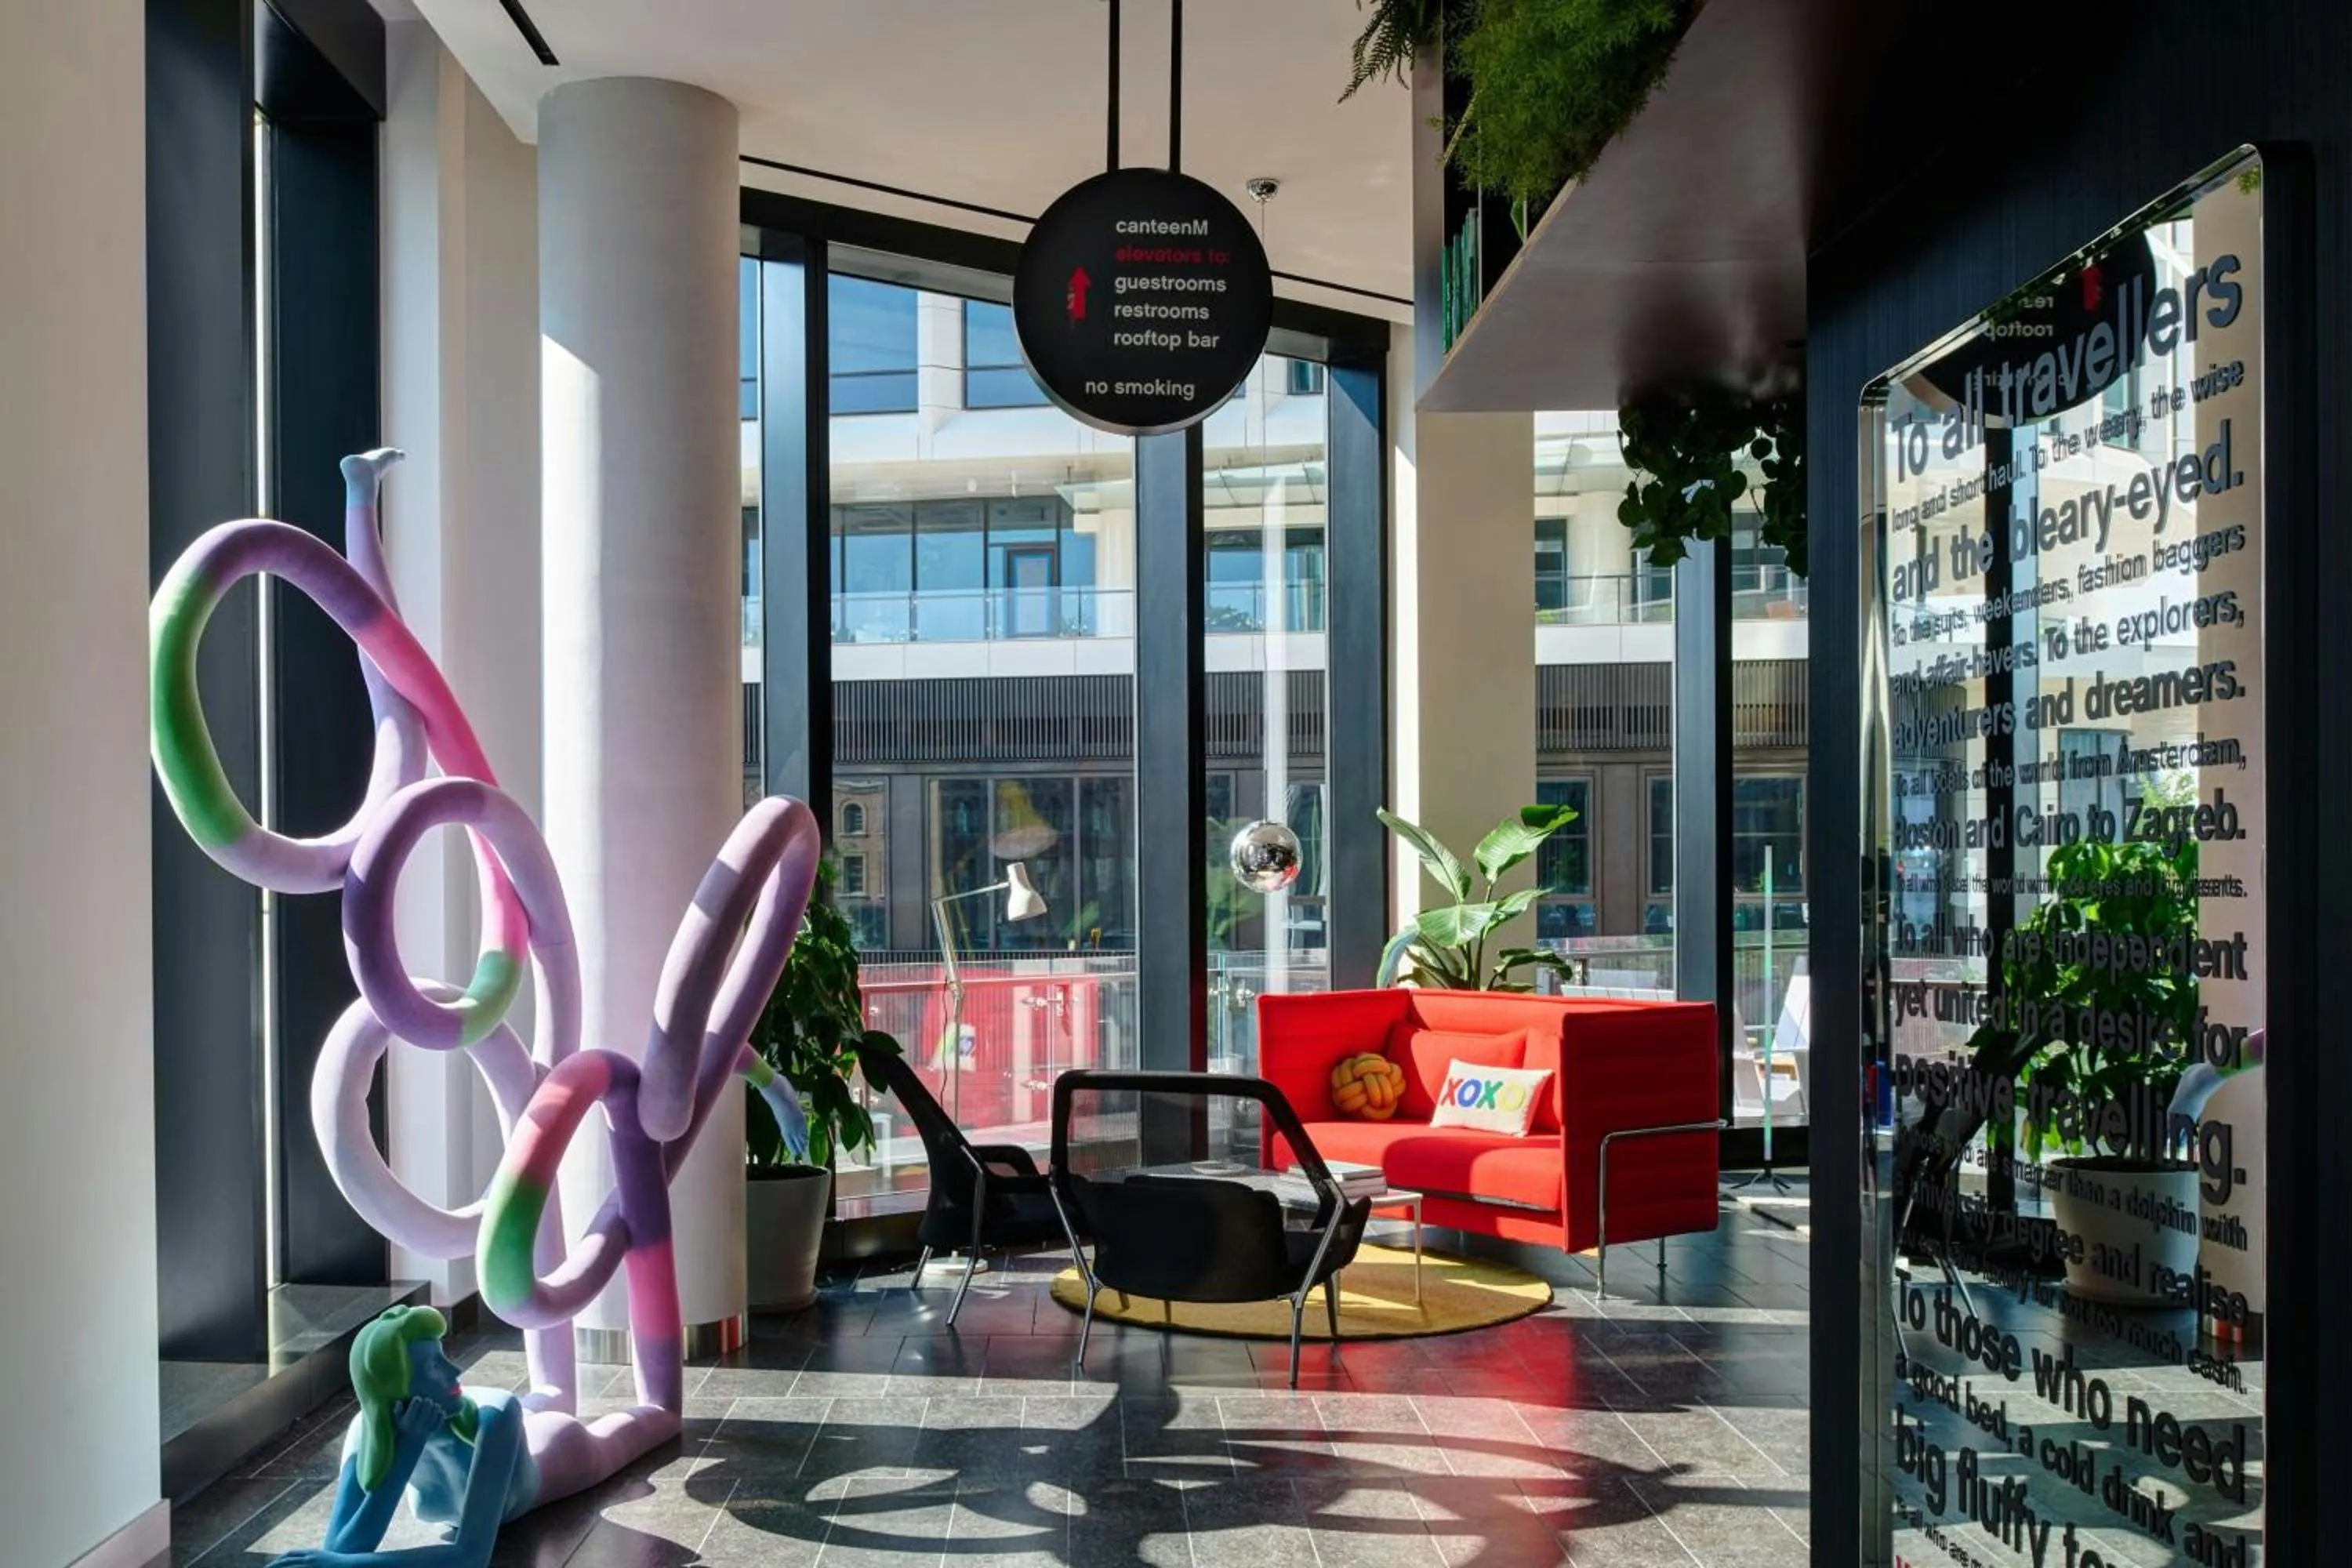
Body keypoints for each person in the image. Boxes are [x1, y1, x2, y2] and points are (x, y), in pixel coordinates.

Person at [269, 1305, 534, 1568]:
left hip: (555, 1451)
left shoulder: (496, 1414)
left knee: (541, 1416)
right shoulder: (365, 1429)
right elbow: (342, 1548)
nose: (454, 1369)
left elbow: (472, 1557)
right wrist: (408, 1448)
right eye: (433, 1366)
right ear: (396, 1388)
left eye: (443, 1356)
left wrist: (348, 1567)